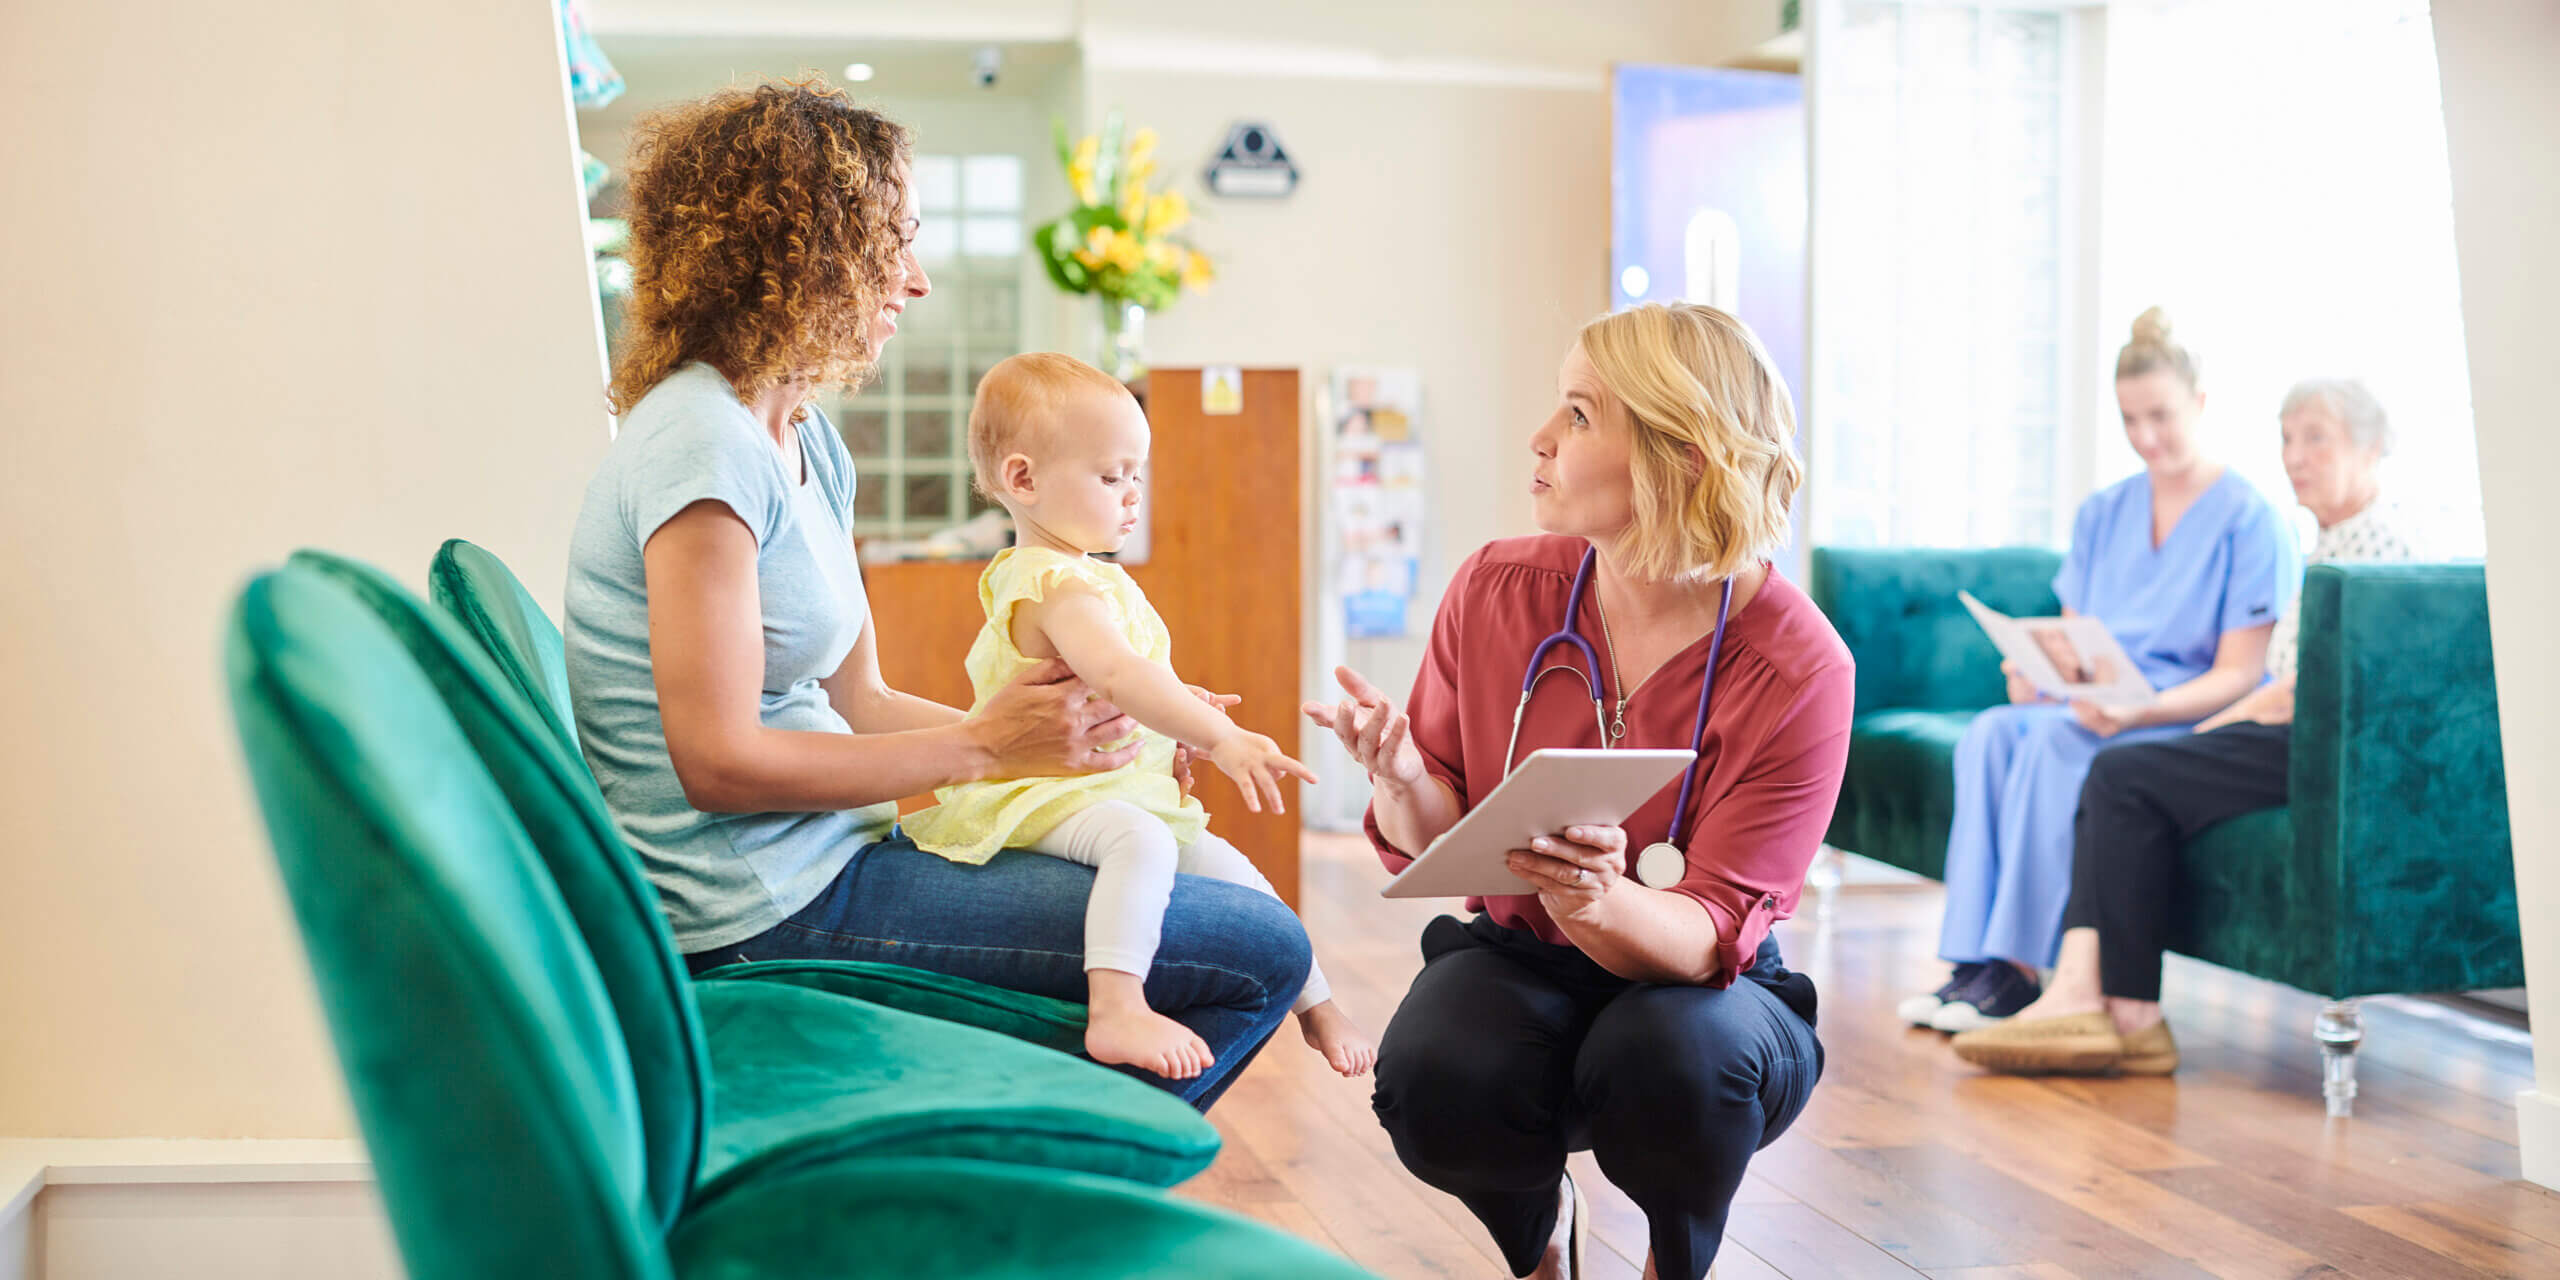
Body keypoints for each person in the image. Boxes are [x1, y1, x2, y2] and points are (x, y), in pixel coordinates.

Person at [561, 80, 1309, 1109]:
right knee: (1261, 944)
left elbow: (860, 697)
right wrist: (990, 746)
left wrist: (1076, 746)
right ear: (803, 249)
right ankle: (1028, 1187)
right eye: (893, 241)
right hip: (755, 913)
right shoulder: (701, 444)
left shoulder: (805, 437)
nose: (913, 280)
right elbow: (717, 762)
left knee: (1209, 900)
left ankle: (1007, 1158)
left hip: (834, 859)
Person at [1307, 302, 1851, 1280]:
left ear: (1683, 454)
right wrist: (1398, 780)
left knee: (1674, 1061)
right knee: (1432, 1078)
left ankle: (1670, 1261)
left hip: (1704, 990)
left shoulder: (1798, 662)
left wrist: (1604, 898)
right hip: (1524, 957)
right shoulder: (1496, 590)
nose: (1540, 438)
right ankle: (1539, 1235)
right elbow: (1441, 829)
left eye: (1579, 414)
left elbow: (1711, 925)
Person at [900, 353, 1373, 1080]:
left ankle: (1318, 1005)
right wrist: (1217, 732)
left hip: (1113, 786)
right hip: (1047, 796)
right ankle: (1115, 1004)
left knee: (1238, 871)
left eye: (1137, 477)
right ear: (1023, 480)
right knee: (1142, 845)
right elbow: (1118, 673)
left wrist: (1180, 711)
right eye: (1111, 476)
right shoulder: (1051, 583)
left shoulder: (1095, 578)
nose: (1132, 497)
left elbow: (1134, 681)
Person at [1953, 377, 2424, 1073]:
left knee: (2119, 772)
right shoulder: (2327, 547)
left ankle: (2094, 998)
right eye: (2288, 438)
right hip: (2287, 732)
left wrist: (2204, 732)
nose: (2295, 456)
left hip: (2323, 746)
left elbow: (2299, 693)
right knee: (2120, 777)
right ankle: (2123, 1012)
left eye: (2316, 438)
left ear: (2374, 447)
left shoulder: (2379, 550)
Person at [1901, 308, 2301, 1033]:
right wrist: (2036, 676)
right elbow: (2075, 639)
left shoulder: (2250, 518)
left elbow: (2243, 674)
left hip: (2182, 715)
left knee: (2054, 744)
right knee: (1993, 731)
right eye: (2129, 420)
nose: (2146, 437)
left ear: (2201, 403)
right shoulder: (2104, 512)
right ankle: (1972, 963)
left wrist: (2137, 713)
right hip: (2092, 707)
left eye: (2161, 416)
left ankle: (2021, 970)